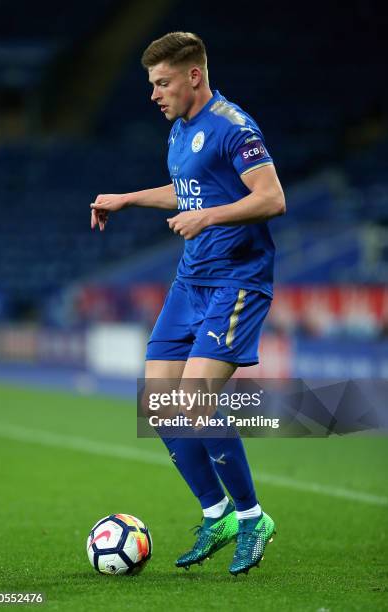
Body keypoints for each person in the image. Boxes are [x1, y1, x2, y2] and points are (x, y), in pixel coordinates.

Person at [90, 31, 285, 575]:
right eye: (152, 84)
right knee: (158, 404)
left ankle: (252, 518)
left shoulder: (234, 127)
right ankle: (216, 513)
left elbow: (272, 197)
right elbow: (187, 191)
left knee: (194, 399)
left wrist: (209, 217)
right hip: (190, 281)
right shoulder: (179, 132)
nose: (154, 94)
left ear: (193, 75)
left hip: (236, 281)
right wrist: (129, 198)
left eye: (162, 82)